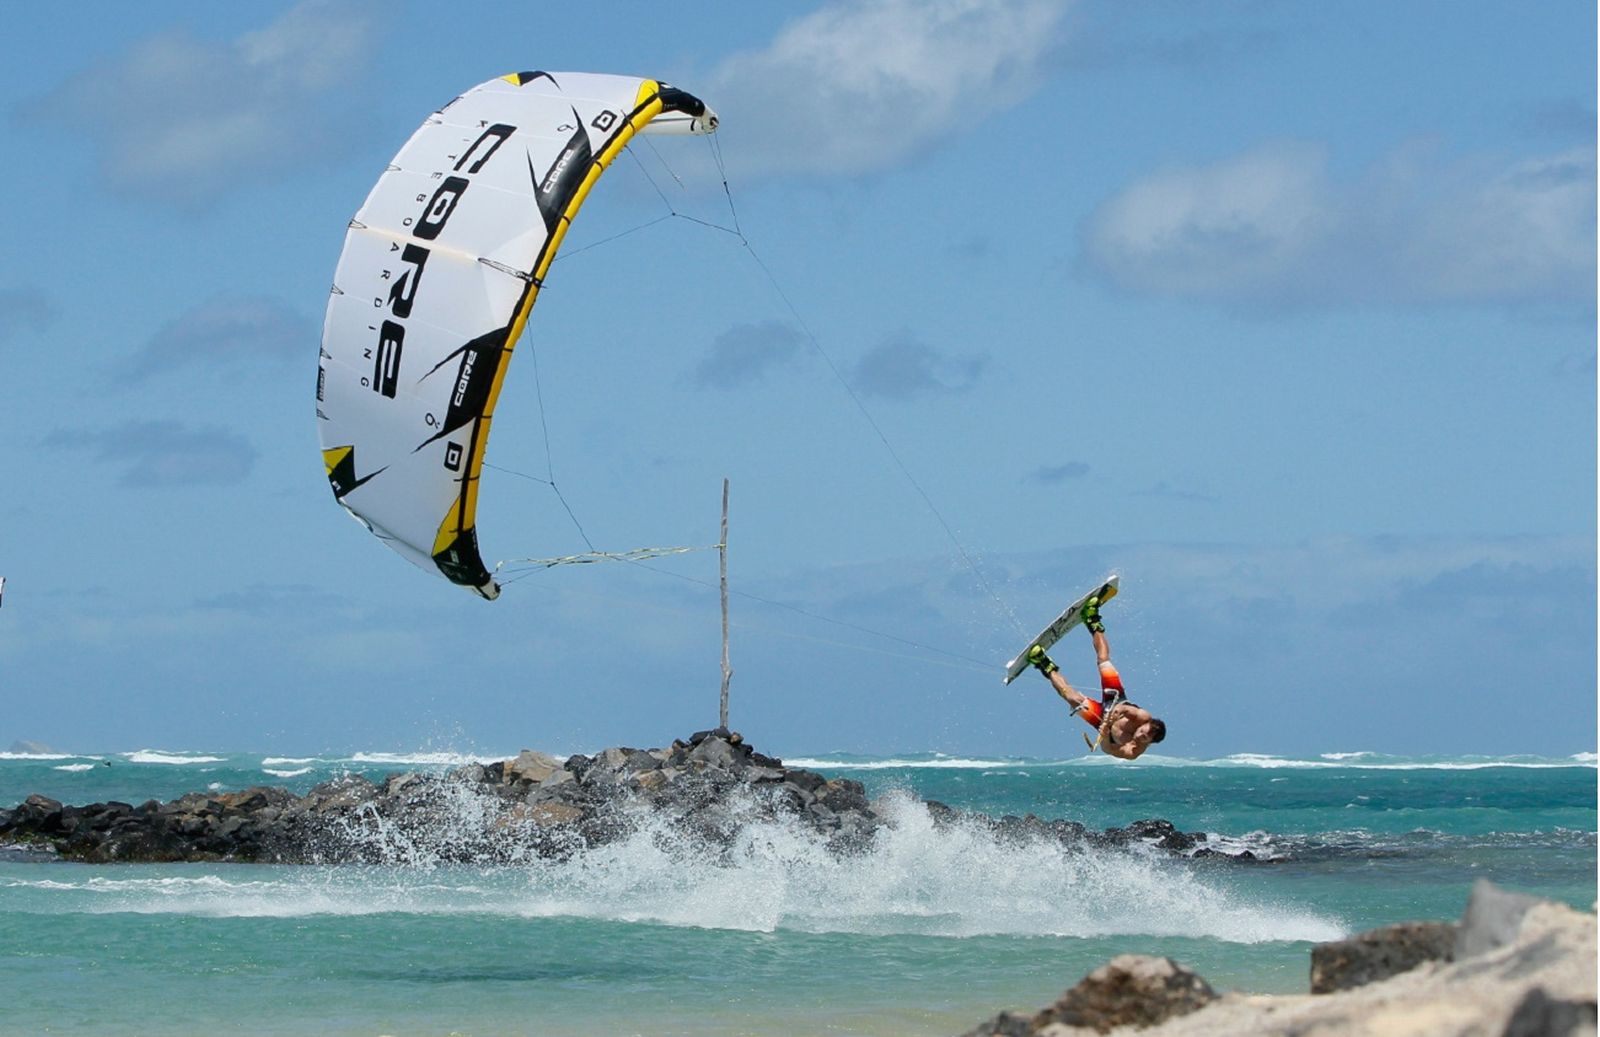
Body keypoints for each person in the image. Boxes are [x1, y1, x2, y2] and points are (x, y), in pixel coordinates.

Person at [1026, 593, 1165, 759]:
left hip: (1099, 719)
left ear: (1148, 742)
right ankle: (1093, 620)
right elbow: (1126, 710)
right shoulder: (1143, 717)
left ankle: (1043, 663)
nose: (1138, 734)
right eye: (1142, 731)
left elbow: (1108, 750)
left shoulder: (1134, 750)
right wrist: (1115, 713)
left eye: (1143, 737)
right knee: (1103, 660)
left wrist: (1105, 734)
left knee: (1072, 698)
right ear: (1145, 724)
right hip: (1116, 699)